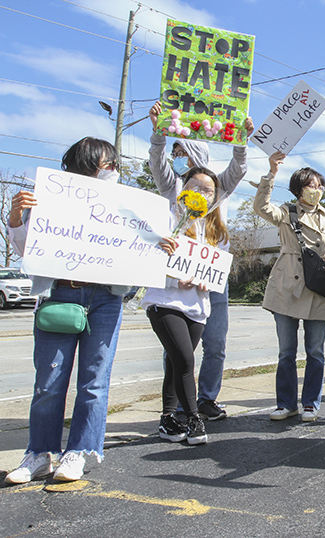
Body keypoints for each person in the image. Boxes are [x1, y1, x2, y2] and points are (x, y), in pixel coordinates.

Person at [5, 137, 129, 484]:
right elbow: (23, 248)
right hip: (59, 295)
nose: (113, 170)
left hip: (105, 298)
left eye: (114, 165)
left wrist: (158, 245)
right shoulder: (49, 198)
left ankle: (79, 452)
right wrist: (16, 216)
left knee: (94, 382)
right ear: (84, 164)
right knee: (49, 380)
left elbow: (139, 248)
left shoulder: (124, 205)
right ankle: (39, 453)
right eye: (106, 164)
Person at [148, 102, 253, 421]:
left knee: (216, 345)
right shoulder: (173, 189)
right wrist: (158, 133)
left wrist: (241, 141)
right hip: (176, 286)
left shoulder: (215, 191)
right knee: (179, 352)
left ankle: (206, 398)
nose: (177, 157)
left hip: (211, 284)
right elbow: (157, 162)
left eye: (182, 151)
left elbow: (238, 169)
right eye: (175, 151)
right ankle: (179, 407)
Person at [254, 152, 325, 423]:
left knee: (315, 351)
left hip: (317, 286)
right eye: (311, 186)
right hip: (286, 285)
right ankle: (285, 403)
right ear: (298, 189)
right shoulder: (285, 212)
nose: (316, 190)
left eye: (319, 186)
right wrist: (271, 173)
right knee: (286, 351)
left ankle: (310, 403)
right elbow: (261, 207)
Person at [143, 167, 227, 445]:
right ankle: (193, 418)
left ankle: (167, 419)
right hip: (165, 302)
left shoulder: (214, 230)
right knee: (185, 360)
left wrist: (208, 282)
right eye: (195, 186)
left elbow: (217, 270)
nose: (200, 194)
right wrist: (172, 279)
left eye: (208, 191)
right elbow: (145, 257)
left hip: (197, 308)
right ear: (183, 189)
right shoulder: (165, 218)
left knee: (175, 361)